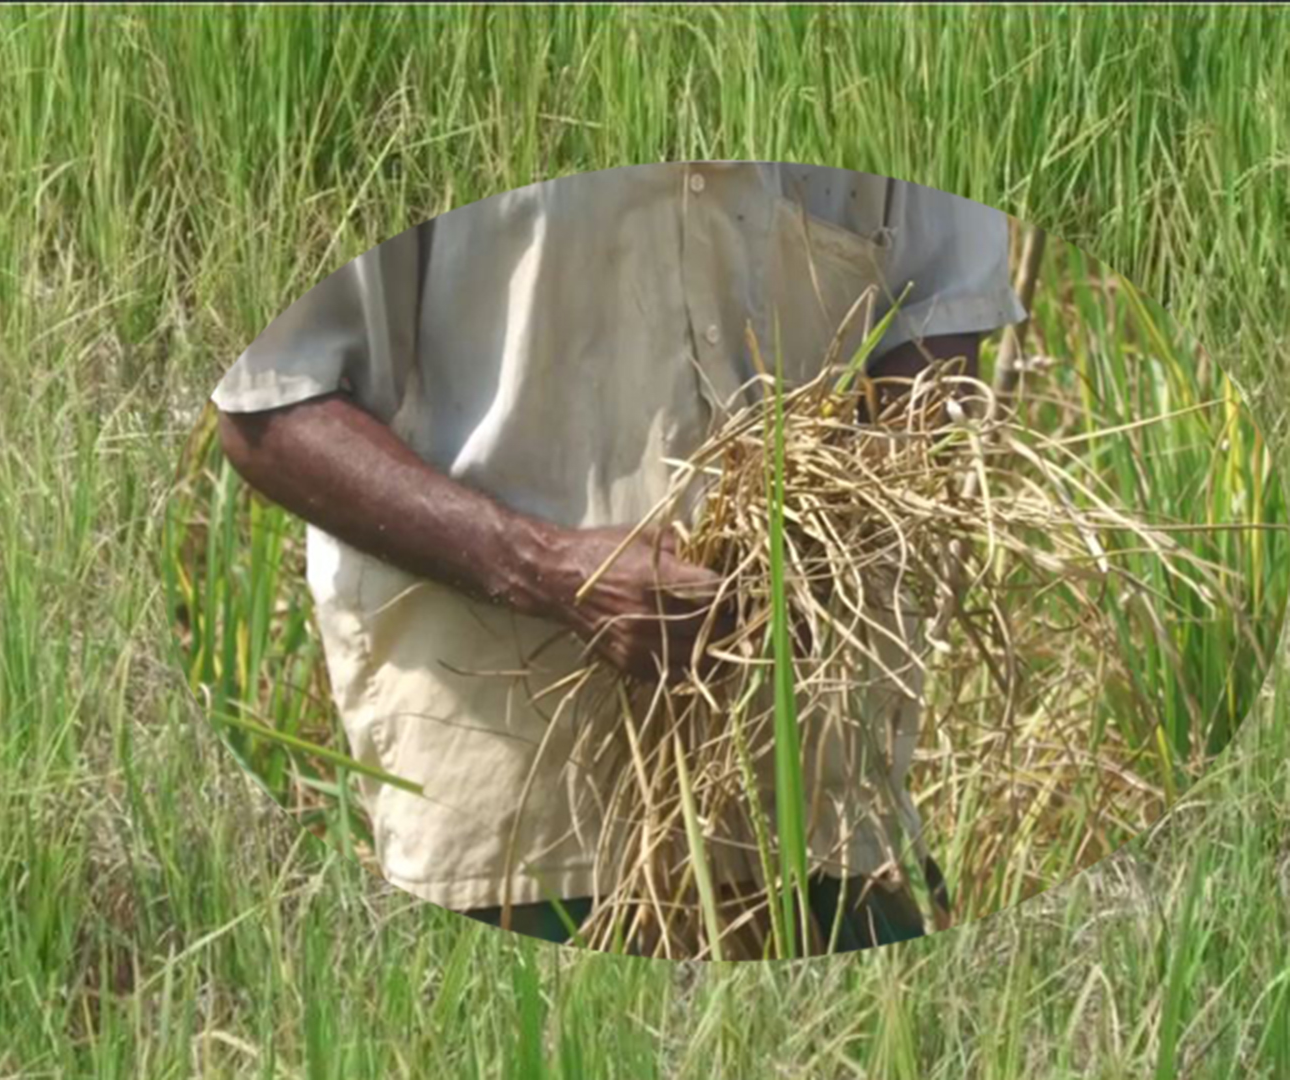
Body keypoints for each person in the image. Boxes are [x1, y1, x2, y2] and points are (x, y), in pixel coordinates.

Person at [209, 162, 1027, 955]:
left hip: (813, 767)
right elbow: (271, 405)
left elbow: (937, 325)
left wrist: (821, 542)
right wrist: (549, 569)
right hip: (517, 787)